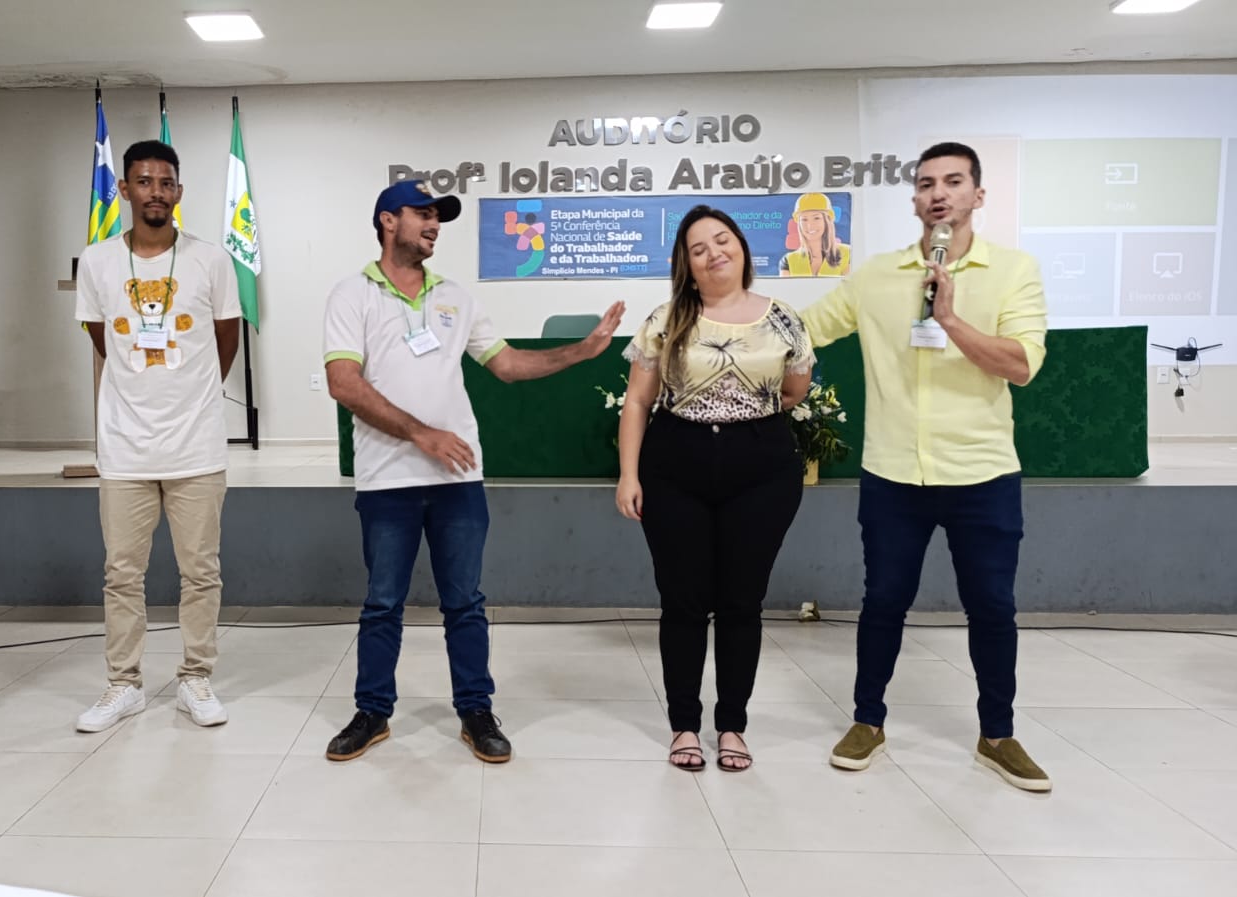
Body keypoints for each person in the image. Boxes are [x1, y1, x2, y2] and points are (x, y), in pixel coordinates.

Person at [321, 179, 623, 763]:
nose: (434, 225)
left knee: (466, 602)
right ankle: (372, 712)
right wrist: (422, 434)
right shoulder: (351, 295)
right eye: (422, 214)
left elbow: (506, 364)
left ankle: (476, 711)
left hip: (458, 482)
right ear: (388, 221)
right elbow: (344, 384)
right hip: (388, 480)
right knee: (383, 602)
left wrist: (579, 352)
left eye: (439, 217)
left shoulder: (455, 297)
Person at [800, 142, 1051, 792]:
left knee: (992, 605)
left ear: (978, 195)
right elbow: (804, 327)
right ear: (913, 199)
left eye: (954, 181)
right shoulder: (876, 276)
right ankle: (867, 720)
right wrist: (717, 317)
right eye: (926, 184)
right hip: (893, 475)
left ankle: (998, 733)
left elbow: (1021, 364)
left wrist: (950, 318)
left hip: (982, 474)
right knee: (883, 599)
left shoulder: (1015, 270)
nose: (939, 193)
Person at [616, 205, 812, 772]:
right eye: (698, 248)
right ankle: (684, 726)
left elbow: (795, 390)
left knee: (741, 602)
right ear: (687, 263)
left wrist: (742, 415)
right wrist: (629, 474)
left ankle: (732, 727)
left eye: (722, 240)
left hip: (763, 468)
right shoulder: (666, 318)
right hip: (676, 464)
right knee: (682, 601)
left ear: (743, 249)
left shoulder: (783, 319)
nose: (713, 252)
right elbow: (637, 401)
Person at [73, 140, 241, 733]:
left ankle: (196, 678)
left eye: (166, 183)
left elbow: (227, 336)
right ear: (124, 190)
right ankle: (124, 685)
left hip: (196, 443)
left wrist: (190, 391)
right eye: (143, 182)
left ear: (178, 192)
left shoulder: (210, 259)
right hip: (125, 447)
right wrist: (142, 385)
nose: (155, 193)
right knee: (122, 571)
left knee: (201, 571)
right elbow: (101, 337)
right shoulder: (95, 261)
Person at [779, 192, 851, 278]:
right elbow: (784, 290)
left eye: (816, 218)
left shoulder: (848, 253)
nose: (810, 225)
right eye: (804, 219)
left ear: (827, 220)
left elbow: (850, 289)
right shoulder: (788, 260)